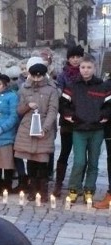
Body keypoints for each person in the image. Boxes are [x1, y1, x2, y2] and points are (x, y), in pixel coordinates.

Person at [59, 54, 111, 203]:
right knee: (79, 161)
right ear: (79, 68)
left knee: (93, 162)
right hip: (79, 129)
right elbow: (63, 103)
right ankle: (74, 188)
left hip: (97, 129)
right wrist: (69, 116)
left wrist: (105, 115)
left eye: (89, 67)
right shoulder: (73, 85)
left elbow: (108, 105)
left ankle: (89, 189)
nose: (86, 70)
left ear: (94, 68)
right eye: (83, 67)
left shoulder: (102, 86)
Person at [14, 62, 60, 203]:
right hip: (28, 127)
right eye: (34, 76)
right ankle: (32, 188)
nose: (36, 79)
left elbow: (53, 111)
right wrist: (28, 106)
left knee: (42, 160)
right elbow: (19, 110)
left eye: (39, 77)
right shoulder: (24, 88)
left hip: (43, 127)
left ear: (44, 76)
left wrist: (45, 129)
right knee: (30, 160)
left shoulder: (51, 89)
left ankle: (43, 189)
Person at [53, 45, 85, 198]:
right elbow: (59, 97)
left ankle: (77, 183)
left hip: (84, 119)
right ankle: (59, 182)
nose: (75, 60)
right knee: (65, 151)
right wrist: (66, 113)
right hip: (67, 119)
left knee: (81, 154)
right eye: (72, 57)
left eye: (78, 57)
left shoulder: (86, 72)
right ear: (68, 59)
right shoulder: (62, 75)